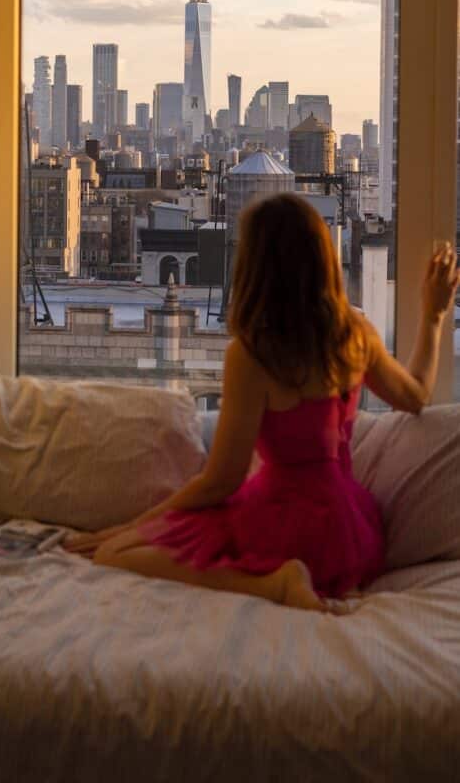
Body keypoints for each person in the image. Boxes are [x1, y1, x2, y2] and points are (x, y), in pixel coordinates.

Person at [63, 194, 460, 613]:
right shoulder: (354, 333)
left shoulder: (254, 354)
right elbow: (415, 394)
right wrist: (434, 316)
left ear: (255, 267)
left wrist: (133, 525)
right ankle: (288, 581)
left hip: (276, 520)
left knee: (115, 554)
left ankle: (275, 585)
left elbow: (222, 481)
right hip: (347, 530)